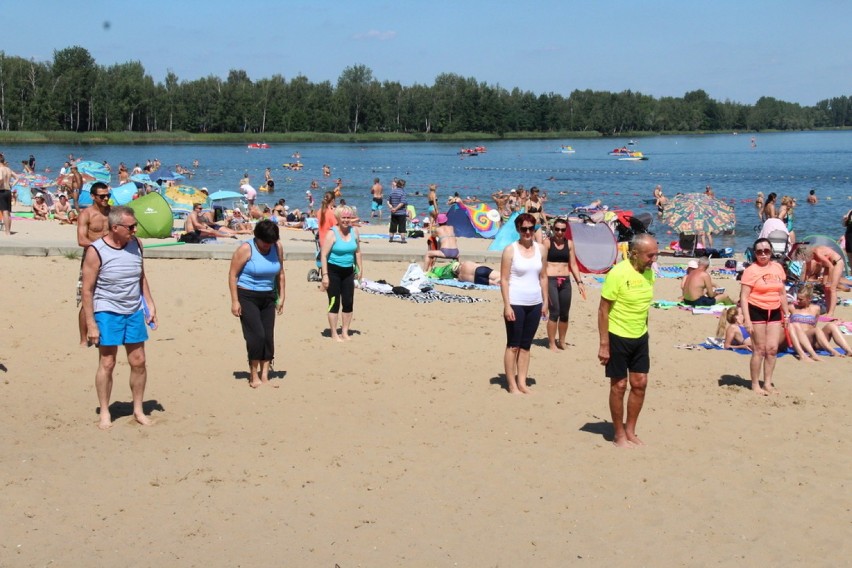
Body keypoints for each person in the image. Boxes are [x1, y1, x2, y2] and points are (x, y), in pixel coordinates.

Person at [80, 206, 157, 429]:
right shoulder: (96, 251)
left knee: (139, 361)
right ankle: (105, 411)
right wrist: (91, 324)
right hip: (106, 310)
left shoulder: (136, 245)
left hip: (133, 309)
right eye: (131, 226)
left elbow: (141, 276)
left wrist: (150, 304)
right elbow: (87, 290)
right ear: (115, 227)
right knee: (108, 361)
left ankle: (138, 409)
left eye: (135, 225)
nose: (135, 230)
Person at [597, 234, 658, 448]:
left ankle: (630, 430)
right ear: (634, 254)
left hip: (640, 336)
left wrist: (645, 332)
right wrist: (604, 344)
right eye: (650, 255)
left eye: (655, 254)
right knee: (619, 385)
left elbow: (644, 307)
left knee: (640, 384)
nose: (654, 259)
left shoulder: (650, 273)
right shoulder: (618, 273)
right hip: (617, 335)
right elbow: (603, 309)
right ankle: (618, 433)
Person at [228, 220, 286, 388]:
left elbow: (280, 273)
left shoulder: (277, 247)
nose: (268, 245)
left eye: (271, 242)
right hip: (247, 295)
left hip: (268, 295)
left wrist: (282, 297)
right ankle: (253, 374)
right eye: (265, 242)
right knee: (256, 336)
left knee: (268, 336)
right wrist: (234, 301)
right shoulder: (246, 249)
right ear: (257, 237)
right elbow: (232, 275)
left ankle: (265, 374)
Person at [500, 213, 548, 395]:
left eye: (530, 228)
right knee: (513, 344)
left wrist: (545, 302)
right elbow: (504, 280)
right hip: (516, 302)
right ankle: (511, 384)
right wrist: (507, 305)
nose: (527, 232)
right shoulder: (510, 250)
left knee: (526, 346)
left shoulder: (541, 249)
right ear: (518, 230)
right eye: (523, 229)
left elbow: (543, 277)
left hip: (535, 303)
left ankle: (522, 382)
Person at [740, 237, 791, 395]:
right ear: (755, 253)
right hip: (757, 309)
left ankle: (767, 383)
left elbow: (782, 293)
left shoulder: (777, 268)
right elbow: (743, 297)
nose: (763, 254)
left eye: (766, 251)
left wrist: (787, 313)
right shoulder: (751, 271)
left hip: (775, 310)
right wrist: (747, 320)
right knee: (759, 349)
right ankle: (755, 384)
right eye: (759, 251)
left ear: (771, 252)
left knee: (772, 349)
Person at [77, 182, 113, 346]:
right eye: (102, 196)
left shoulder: (113, 213)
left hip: (110, 259)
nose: (106, 198)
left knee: (108, 297)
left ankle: (104, 334)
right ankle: (84, 339)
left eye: (108, 195)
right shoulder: (86, 214)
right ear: (93, 196)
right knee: (87, 297)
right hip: (91, 258)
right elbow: (81, 239)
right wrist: (101, 246)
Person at [320, 205, 363, 342]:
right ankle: (334, 333)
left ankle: (345, 331)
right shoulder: (332, 233)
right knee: (334, 302)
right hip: (333, 271)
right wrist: (325, 275)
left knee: (348, 302)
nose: (346, 220)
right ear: (338, 218)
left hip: (348, 272)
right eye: (343, 217)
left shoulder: (354, 231)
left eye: (348, 217)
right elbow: (323, 255)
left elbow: (357, 251)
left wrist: (360, 268)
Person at [542, 217, 584, 351]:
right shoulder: (547, 243)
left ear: (566, 230)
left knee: (565, 313)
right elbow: (541, 264)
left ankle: (562, 341)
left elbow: (573, 264)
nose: (560, 232)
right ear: (553, 229)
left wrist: (579, 281)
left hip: (565, 281)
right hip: (551, 280)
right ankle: (551, 343)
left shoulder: (570, 244)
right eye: (557, 229)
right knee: (554, 312)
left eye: (562, 230)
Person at [787, 285, 850, 360]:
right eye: (797, 298)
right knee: (816, 330)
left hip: (814, 341)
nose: (798, 301)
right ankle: (832, 351)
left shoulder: (816, 308)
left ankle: (848, 350)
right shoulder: (791, 308)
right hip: (800, 340)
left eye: (801, 299)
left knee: (831, 326)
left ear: (809, 299)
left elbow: (814, 324)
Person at [802, 244, 846, 318]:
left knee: (832, 288)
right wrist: (804, 283)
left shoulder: (817, 252)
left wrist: (829, 282)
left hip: (836, 262)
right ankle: (828, 310)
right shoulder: (808, 257)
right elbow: (808, 271)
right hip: (827, 266)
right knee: (825, 288)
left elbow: (831, 266)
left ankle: (831, 313)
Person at [0, 154, 18, 235]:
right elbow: (17, 177)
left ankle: (7, 232)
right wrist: (12, 184)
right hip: (8, 191)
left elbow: (0, 178)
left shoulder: (0, 169)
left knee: (4, 212)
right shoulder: (8, 169)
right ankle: (8, 230)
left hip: (2, 191)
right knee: (8, 212)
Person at [387, 178, 408, 244]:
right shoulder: (402, 192)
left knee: (393, 225)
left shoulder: (392, 191)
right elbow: (402, 203)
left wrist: (391, 207)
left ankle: (391, 238)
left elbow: (388, 201)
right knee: (402, 226)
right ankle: (403, 239)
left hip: (393, 212)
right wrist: (396, 208)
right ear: (403, 185)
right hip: (401, 212)